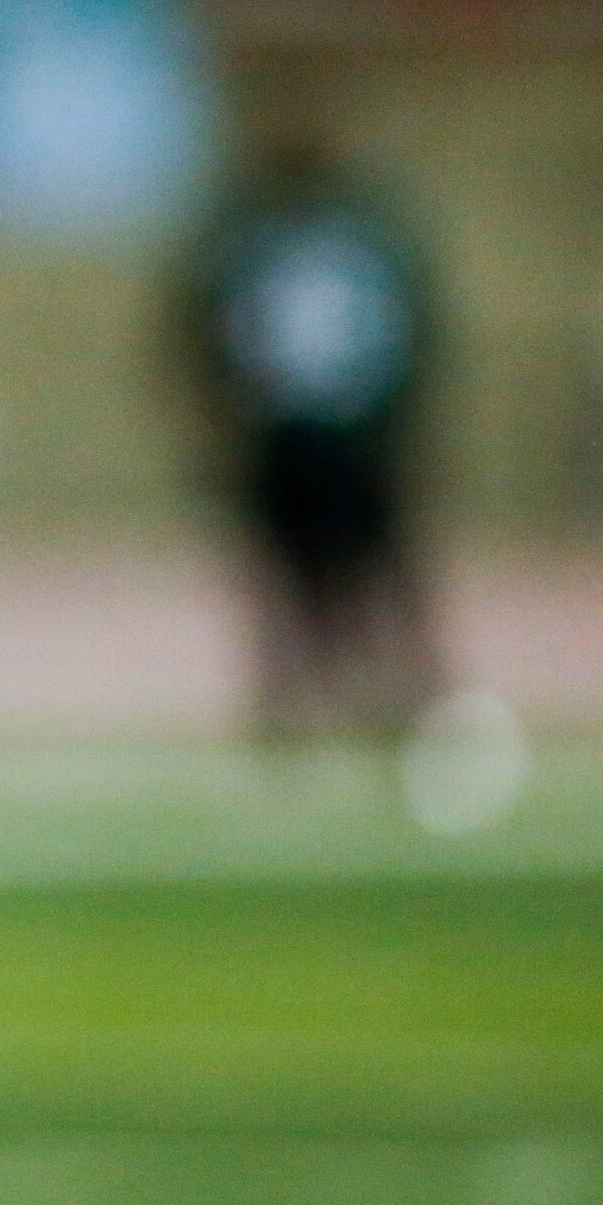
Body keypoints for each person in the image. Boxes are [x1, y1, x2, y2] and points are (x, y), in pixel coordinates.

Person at [179, 129, 443, 744]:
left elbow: (408, 342)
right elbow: (211, 341)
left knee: (373, 572)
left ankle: (399, 696)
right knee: (293, 578)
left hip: (349, 437)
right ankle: (303, 703)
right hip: (290, 437)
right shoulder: (258, 253)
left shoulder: (356, 252)